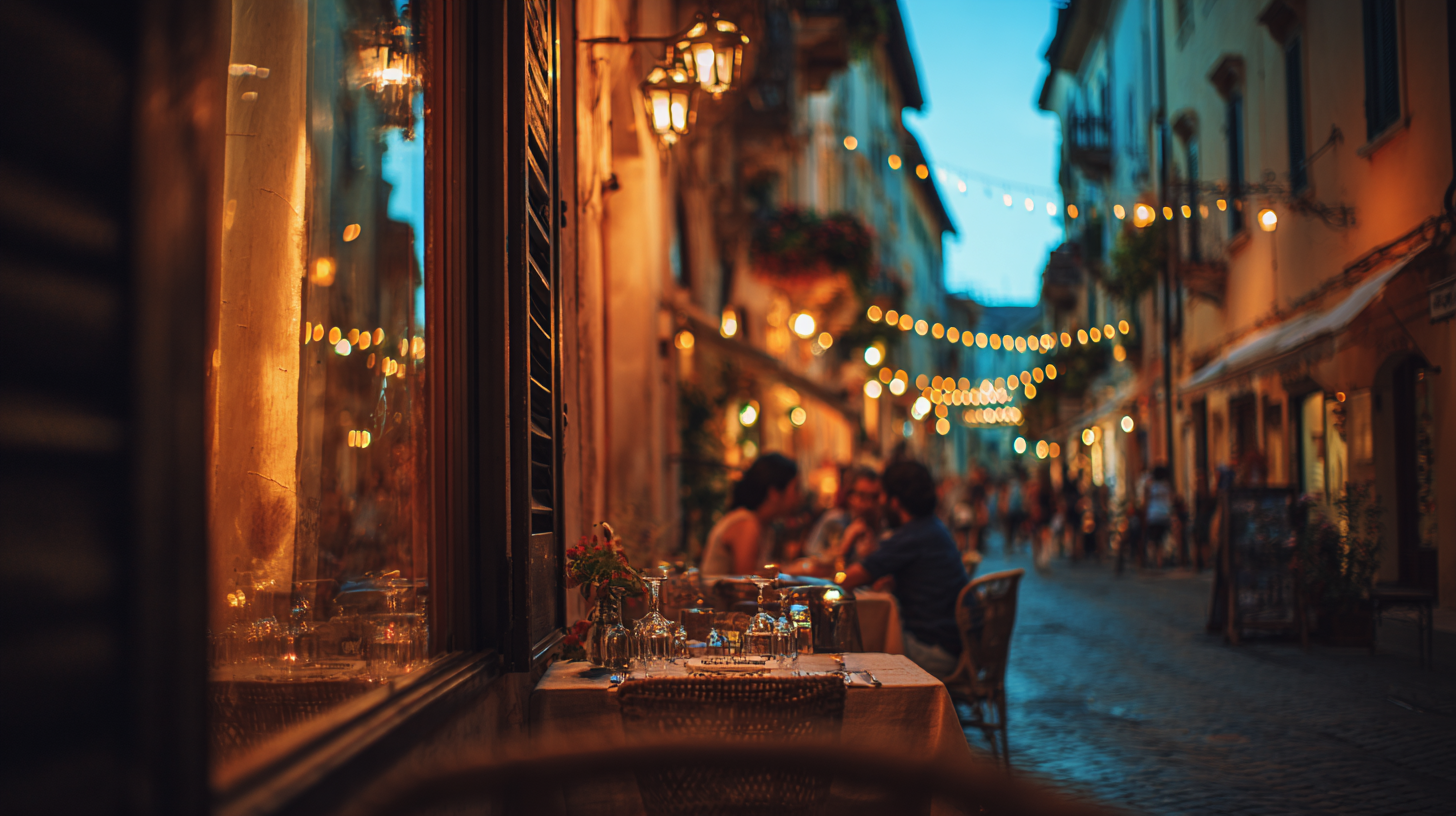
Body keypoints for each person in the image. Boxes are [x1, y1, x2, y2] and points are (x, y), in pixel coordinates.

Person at [840, 460, 969, 679]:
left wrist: (844, 548)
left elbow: (846, 580)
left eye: (882, 495)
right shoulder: (933, 527)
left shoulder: (909, 538)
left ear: (895, 501)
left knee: (863, 642)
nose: (878, 502)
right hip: (954, 644)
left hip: (934, 652)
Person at [701, 453, 800, 579]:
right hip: (719, 599)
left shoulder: (764, 526)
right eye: (796, 489)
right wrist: (797, 572)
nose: (799, 497)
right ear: (774, 492)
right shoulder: (746, 523)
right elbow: (746, 585)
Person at [801, 466, 883, 572]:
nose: (869, 503)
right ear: (850, 496)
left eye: (874, 497)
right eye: (862, 496)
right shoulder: (834, 520)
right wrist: (845, 544)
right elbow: (810, 557)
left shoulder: (883, 525)